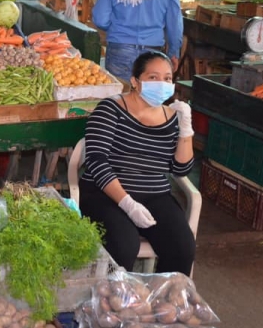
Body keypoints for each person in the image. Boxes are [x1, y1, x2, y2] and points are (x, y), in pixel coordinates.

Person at [79, 51, 195, 276]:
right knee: (123, 244)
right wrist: (127, 204)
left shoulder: (172, 117)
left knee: (182, 248)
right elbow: (96, 161)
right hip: (106, 194)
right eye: (153, 77)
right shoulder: (110, 109)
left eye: (167, 78)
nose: (162, 83)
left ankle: (161, 303)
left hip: (155, 194)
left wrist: (186, 130)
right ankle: (111, 302)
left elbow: (181, 169)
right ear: (135, 81)